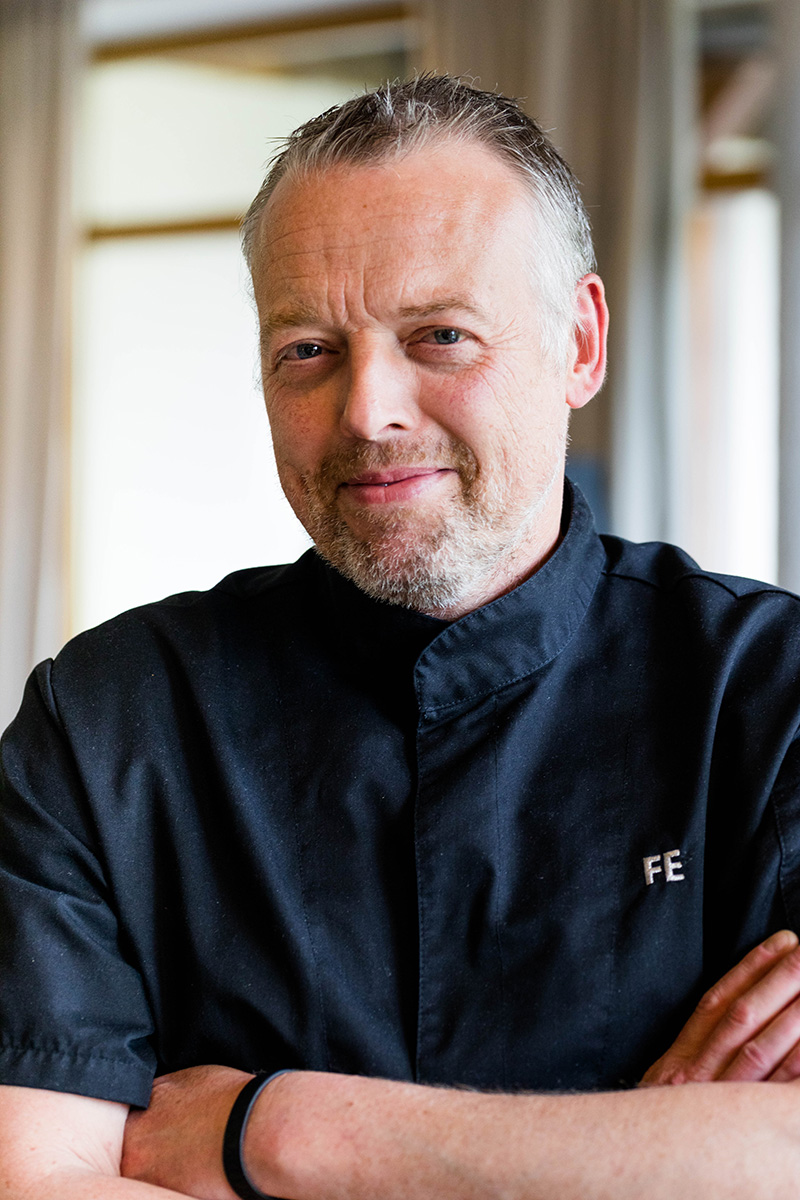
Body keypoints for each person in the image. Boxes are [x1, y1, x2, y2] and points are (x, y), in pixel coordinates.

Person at [2, 75, 800, 1200]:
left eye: (440, 336)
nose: (367, 411)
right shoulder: (105, 724)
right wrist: (656, 1155)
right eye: (307, 349)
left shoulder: (770, 695)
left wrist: (281, 1132)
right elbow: (36, 1180)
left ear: (578, 343)